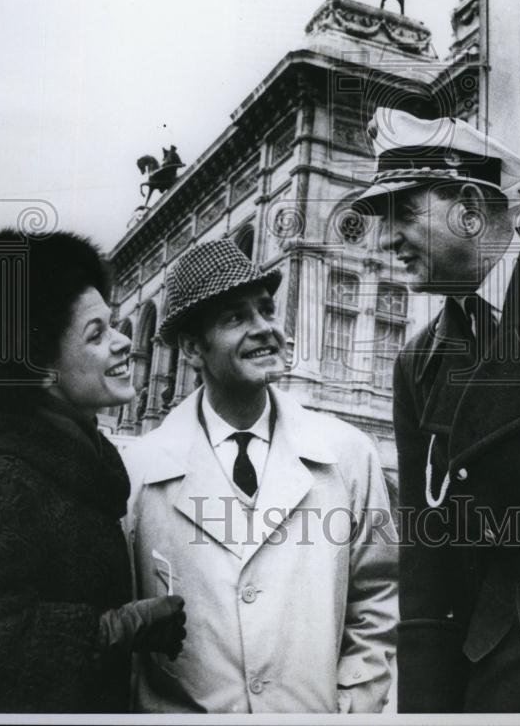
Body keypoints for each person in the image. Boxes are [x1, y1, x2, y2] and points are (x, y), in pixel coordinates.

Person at [124, 239, 397, 714]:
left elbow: (376, 594)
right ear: (192, 348)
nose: (265, 329)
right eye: (235, 318)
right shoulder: (139, 471)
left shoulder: (348, 453)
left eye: (267, 310)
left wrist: (355, 701)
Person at [0, 229, 186, 713]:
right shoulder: (3, 482)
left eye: (114, 326)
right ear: (41, 368)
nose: (123, 343)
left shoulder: (70, 468)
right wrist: (118, 628)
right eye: (97, 334)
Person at [351, 110, 520, 713]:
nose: (383, 241)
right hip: (491, 678)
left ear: (469, 206)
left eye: (403, 213)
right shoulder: (420, 363)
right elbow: (428, 575)